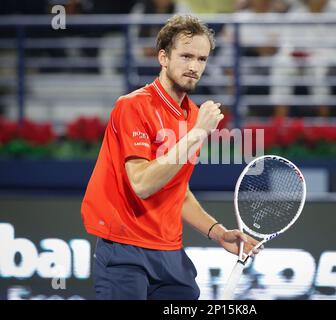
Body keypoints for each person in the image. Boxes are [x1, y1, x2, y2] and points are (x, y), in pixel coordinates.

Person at [81, 14, 262, 300]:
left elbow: (176, 191)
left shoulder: (193, 116)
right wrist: (197, 134)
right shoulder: (132, 107)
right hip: (125, 250)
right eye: (186, 56)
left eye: (202, 59)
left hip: (170, 255)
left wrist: (218, 233)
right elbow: (142, 184)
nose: (194, 67)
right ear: (163, 58)